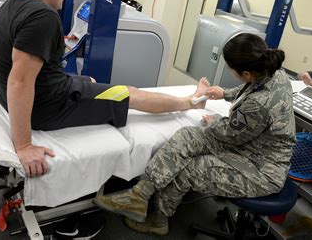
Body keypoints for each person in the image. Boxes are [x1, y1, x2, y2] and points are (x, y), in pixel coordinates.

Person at [0, 0, 209, 178]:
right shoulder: (43, 16)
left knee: (89, 80)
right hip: (49, 107)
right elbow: (20, 81)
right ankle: (191, 102)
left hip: (43, 92)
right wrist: (23, 146)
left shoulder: (10, 4)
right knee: (129, 92)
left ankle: (90, 90)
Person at [94, 33, 296, 236]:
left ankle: (159, 221)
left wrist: (214, 121)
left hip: (261, 169)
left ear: (246, 73)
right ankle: (139, 195)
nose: (228, 69)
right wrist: (225, 93)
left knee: (189, 168)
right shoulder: (274, 71)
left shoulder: (258, 104)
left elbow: (230, 134)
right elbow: (252, 87)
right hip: (250, 147)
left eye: (229, 68)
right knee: (187, 136)